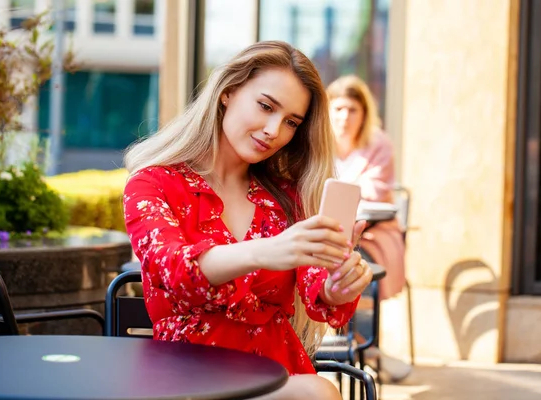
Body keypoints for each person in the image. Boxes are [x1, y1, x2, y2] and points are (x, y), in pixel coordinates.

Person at [123, 41, 372, 400]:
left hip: (276, 374)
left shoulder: (287, 198)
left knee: (318, 392)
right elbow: (174, 270)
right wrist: (265, 251)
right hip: (187, 377)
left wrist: (338, 285)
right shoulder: (151, 185)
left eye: (291, 122)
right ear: (228, 92)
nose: (274, 130)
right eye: (266, 106)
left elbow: (317, 283)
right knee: (319, 394)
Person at [326, 75, 410, 382]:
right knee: (322, 255)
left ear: (364, 114)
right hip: (330, 231)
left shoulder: (378, 144)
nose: (344, 117)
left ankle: (359, 344)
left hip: (374, 233)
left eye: (352, 110)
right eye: (338, 109)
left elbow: (375, 191)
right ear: (328, 110)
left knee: (352, 259)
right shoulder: (319, 142)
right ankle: (352, 347)